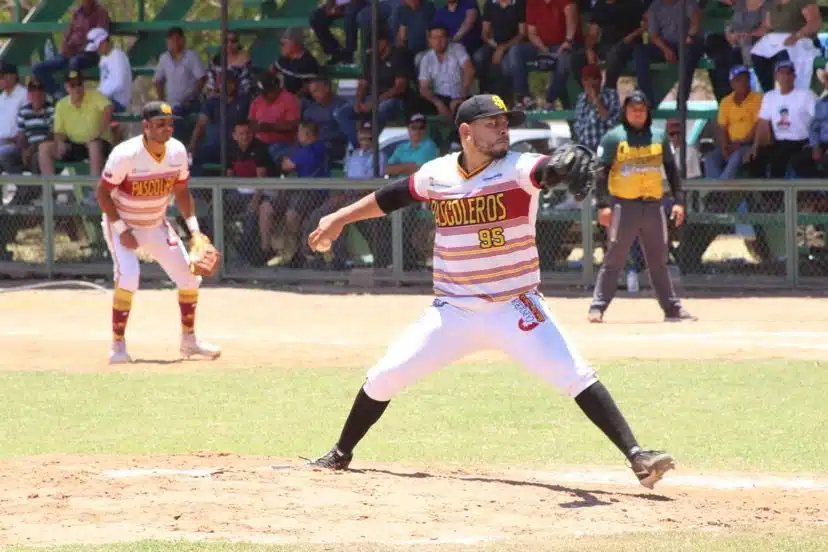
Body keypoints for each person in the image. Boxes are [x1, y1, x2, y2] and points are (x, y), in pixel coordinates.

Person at [304, 94, 676, 490]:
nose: (503, 129)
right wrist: (338, 218)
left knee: (576, 375)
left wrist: (564, 165)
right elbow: (391, 196)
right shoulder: (438, 174)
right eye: (492, 123)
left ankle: (638, 456)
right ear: (466, 132)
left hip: (515, 306)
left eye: (505, 122)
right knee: (383, 378)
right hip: (453, 311)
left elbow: (544, 170)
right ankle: (340, 452)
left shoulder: (516, 168)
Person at [94, 101, 221, 364]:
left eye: (170, 123)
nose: (167, 128)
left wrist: (195, 232)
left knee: (189, 278)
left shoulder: (176, 151)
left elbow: (182, 192)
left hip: (155, 224)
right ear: (146, 126)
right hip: (123, 224)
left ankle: (189, 341)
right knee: (129, 276)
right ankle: (118, 345)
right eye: (160, 124)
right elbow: (102, 193)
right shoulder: (126, 154)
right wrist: (121, 229)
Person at [587, 91, 696, 323]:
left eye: (642, 109)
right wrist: (603, 205)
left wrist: (678, 201)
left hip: (653, 206)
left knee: (658, 260)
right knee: (614, 258)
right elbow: (600, 174)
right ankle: (597, 307)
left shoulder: (659, 137)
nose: (637, 113)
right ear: (625, 112)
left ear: (648, 112)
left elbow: (673, 172)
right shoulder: (613, 138)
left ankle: (672, 309)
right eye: (633, 110)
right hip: (623, 206)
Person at [38, 70, 113, 177]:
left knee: (94, 145)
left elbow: (109, 108)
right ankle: (50, 189)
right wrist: (60, 142)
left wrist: (99, 133)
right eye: (72, 85)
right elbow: (59, 132)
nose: (77, 88)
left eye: (79, 84)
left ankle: (95, 189)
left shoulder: (94, 95)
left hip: (99, 143)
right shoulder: (61, 104)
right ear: (66, 87)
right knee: (44, 148)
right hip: (76, 145)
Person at [31, 0, 110, 98]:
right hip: (69, 53)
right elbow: (68, 34)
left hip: (88, 55)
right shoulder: (77, 13)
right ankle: (59, 94)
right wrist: (66, 47)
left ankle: (75, 96)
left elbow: (101, 37)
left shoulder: (101, 13)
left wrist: (81, 47)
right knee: (37, 69)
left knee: (74, 62)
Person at [704, 65, 763, 180]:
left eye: (746, 79)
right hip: (731, 144)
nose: (743, 83)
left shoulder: (758, 99)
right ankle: (714, 191)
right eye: (738, 80)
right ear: (732, 83)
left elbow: (757, 127)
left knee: (736, 156)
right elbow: (723, 128)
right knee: (710, 158)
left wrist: (739, 144)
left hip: (749, 145)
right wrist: (725, 146)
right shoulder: (726, 102)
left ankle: (722, 191)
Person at [86, 27, 132, 112]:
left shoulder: (118, 56)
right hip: (106, 99)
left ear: (103, 42)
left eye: (97, 47)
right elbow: (104, 82)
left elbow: (119, 83)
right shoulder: (103, 58)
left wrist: (98, 95)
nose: (96, 50)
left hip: (118, 102)